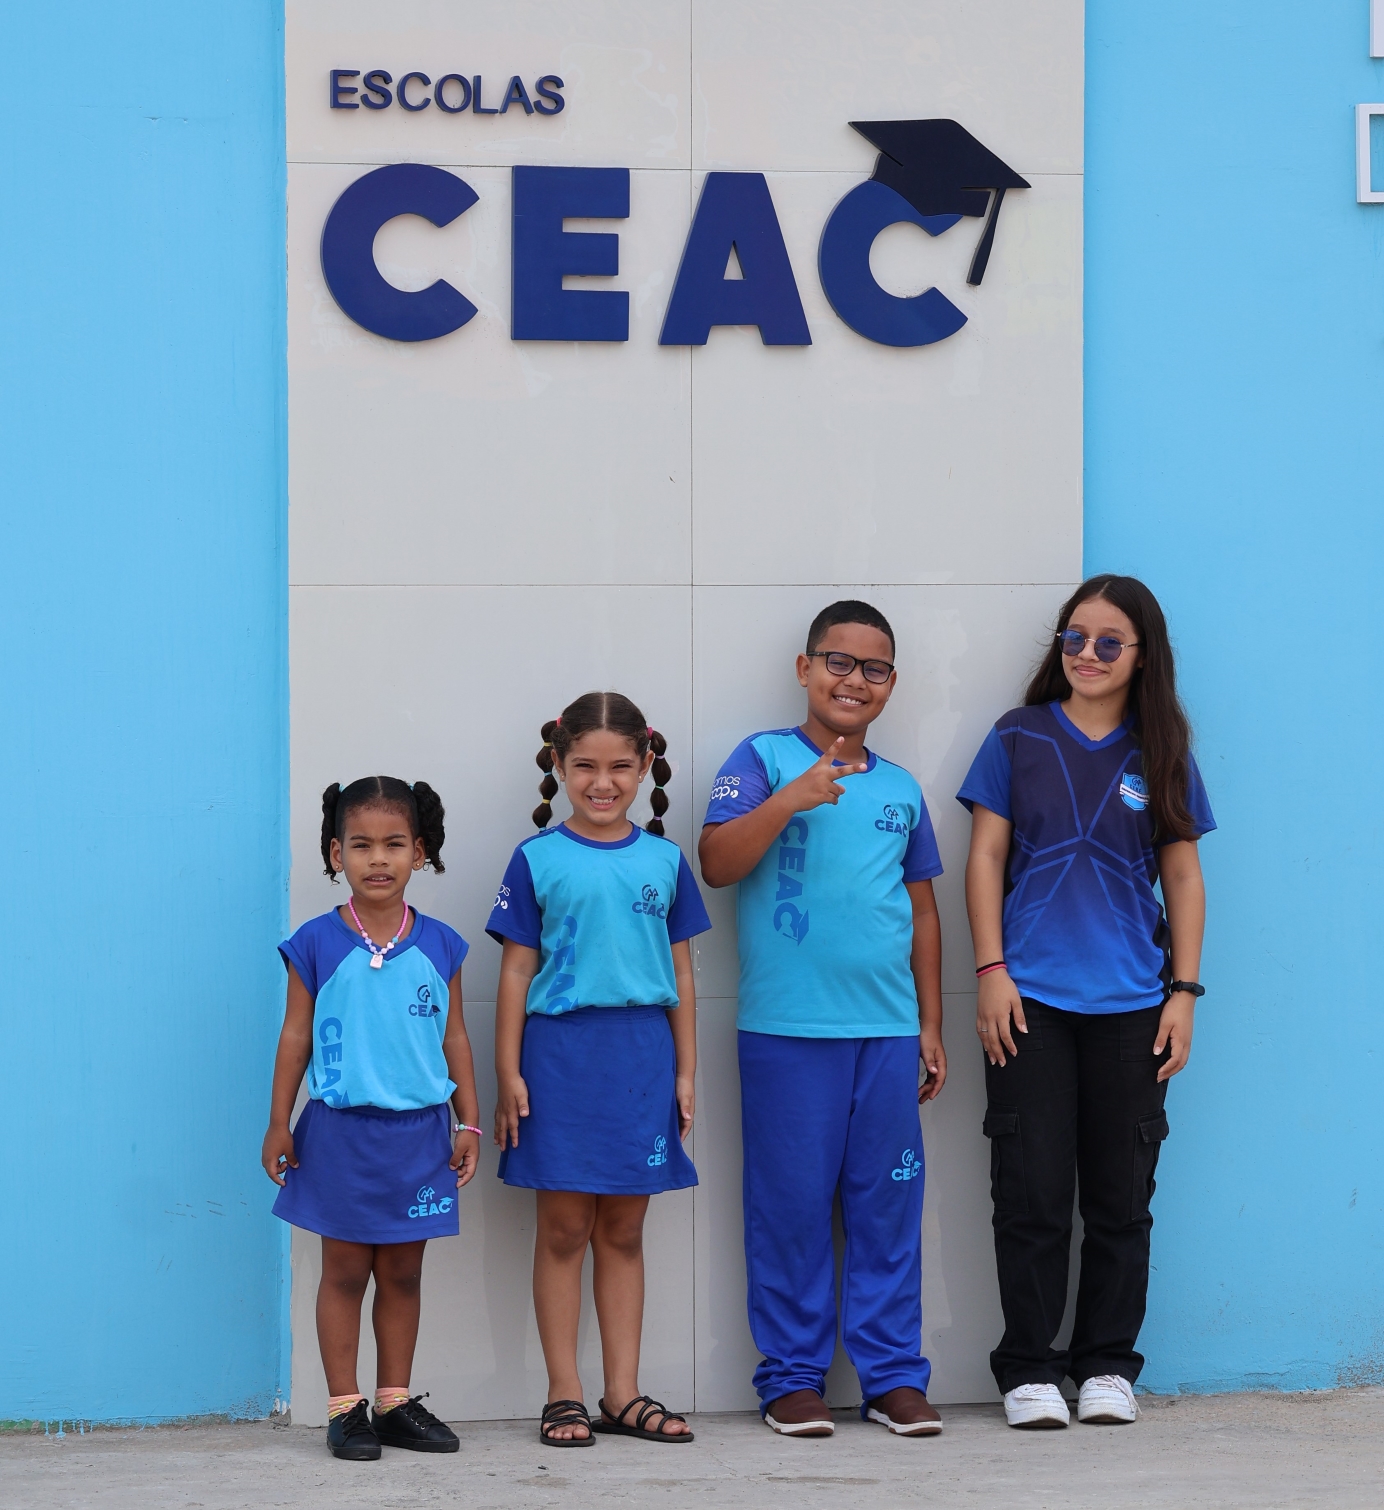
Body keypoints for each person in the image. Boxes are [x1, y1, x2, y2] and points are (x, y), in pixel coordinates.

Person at [959, 575, 1213, 1431]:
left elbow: (1183, 876)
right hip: (1028, 1000)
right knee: (1029, 1193)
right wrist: (991, 970)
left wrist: (1183, 992)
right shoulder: (1017, 736)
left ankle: (1106, 1365)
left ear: (1142, 655)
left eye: (1109, 642)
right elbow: (985, 858)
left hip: (1135, 1005)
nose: (1088, 654)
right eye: (1075, 638)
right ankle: (1029, 1368)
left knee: (1121, 1199)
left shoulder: (1161, 750)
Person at [699, 600, 947, 1440]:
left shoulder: (902, 788)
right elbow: (717, 862)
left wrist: (929, 1025)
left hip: (887, 1034)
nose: (854, 680)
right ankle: (792, 1379)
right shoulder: (763, 759)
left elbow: (923, 912)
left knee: (888, 1207)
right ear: (805, 669)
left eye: (873, 668)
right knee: (791, 1207)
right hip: (787, 1032)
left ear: (891, 684)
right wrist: (791, 800)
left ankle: (892, 1376)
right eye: (838, 661)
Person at [488, 691, 712, 1450]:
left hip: (642, 1060)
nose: (602, 782)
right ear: (559, 764)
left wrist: (686, 1071)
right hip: (559, 1059)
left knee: (623, 1228)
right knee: (562, 1230)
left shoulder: (666, 861)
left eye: (620, 766)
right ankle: (564, 1393)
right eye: (585, 766)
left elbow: (681, 976)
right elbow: (515, 972)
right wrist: (508, 1071)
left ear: (646, 766)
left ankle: (622, 1393)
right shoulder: (536, 858)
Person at [262, 776, 481, 1462]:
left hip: (420, 1139)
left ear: (420, 851)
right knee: (345, 1272)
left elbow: (455, 1037)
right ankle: (344, 1408)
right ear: (336, 853)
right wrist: (278, 1121)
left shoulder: (443, 945)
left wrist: (469, 1122)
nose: (377, 859)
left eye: (394, 844)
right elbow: (295, 1036)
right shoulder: (315, 942)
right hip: (340, 1136)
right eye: (360, 845)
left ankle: (392, 1403)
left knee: (404, 1273)